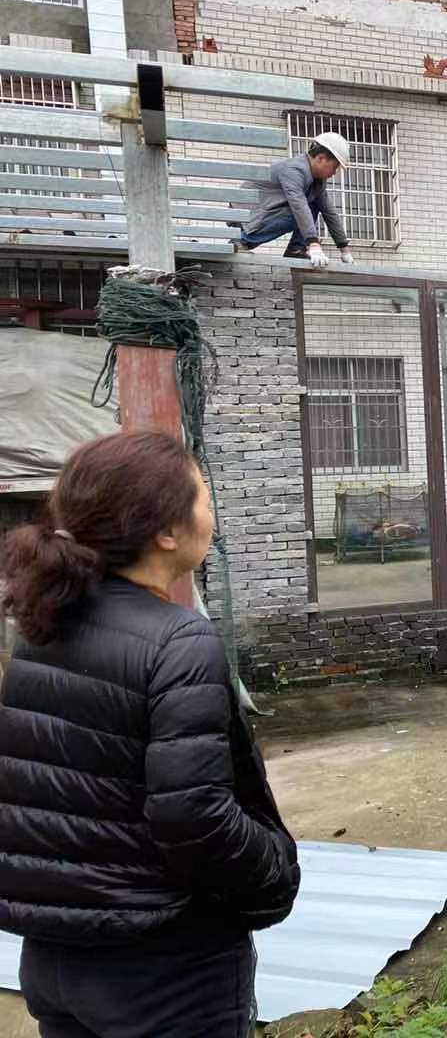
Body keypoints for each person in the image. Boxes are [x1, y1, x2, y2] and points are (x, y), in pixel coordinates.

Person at [0, 429, 300, 1037]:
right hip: (164, 970)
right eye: (204, 498)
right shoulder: (179, 641)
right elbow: (195, 817)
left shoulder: (43, 624)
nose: (211, 514)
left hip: (55, 957)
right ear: (166, 531)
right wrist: (275, 868)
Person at [238, 131, 355, 270]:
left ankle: (295, 250)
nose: (334, 173)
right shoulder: (294, 169)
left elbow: (328, 211)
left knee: (314, 204)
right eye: (334, 167)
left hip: (265, 211)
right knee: (300, 211)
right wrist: (313, 244)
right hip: (246, 212)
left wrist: (344, 249)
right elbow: (298, 205)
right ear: (321, 158)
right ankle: (242, 242)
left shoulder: (318, 181)